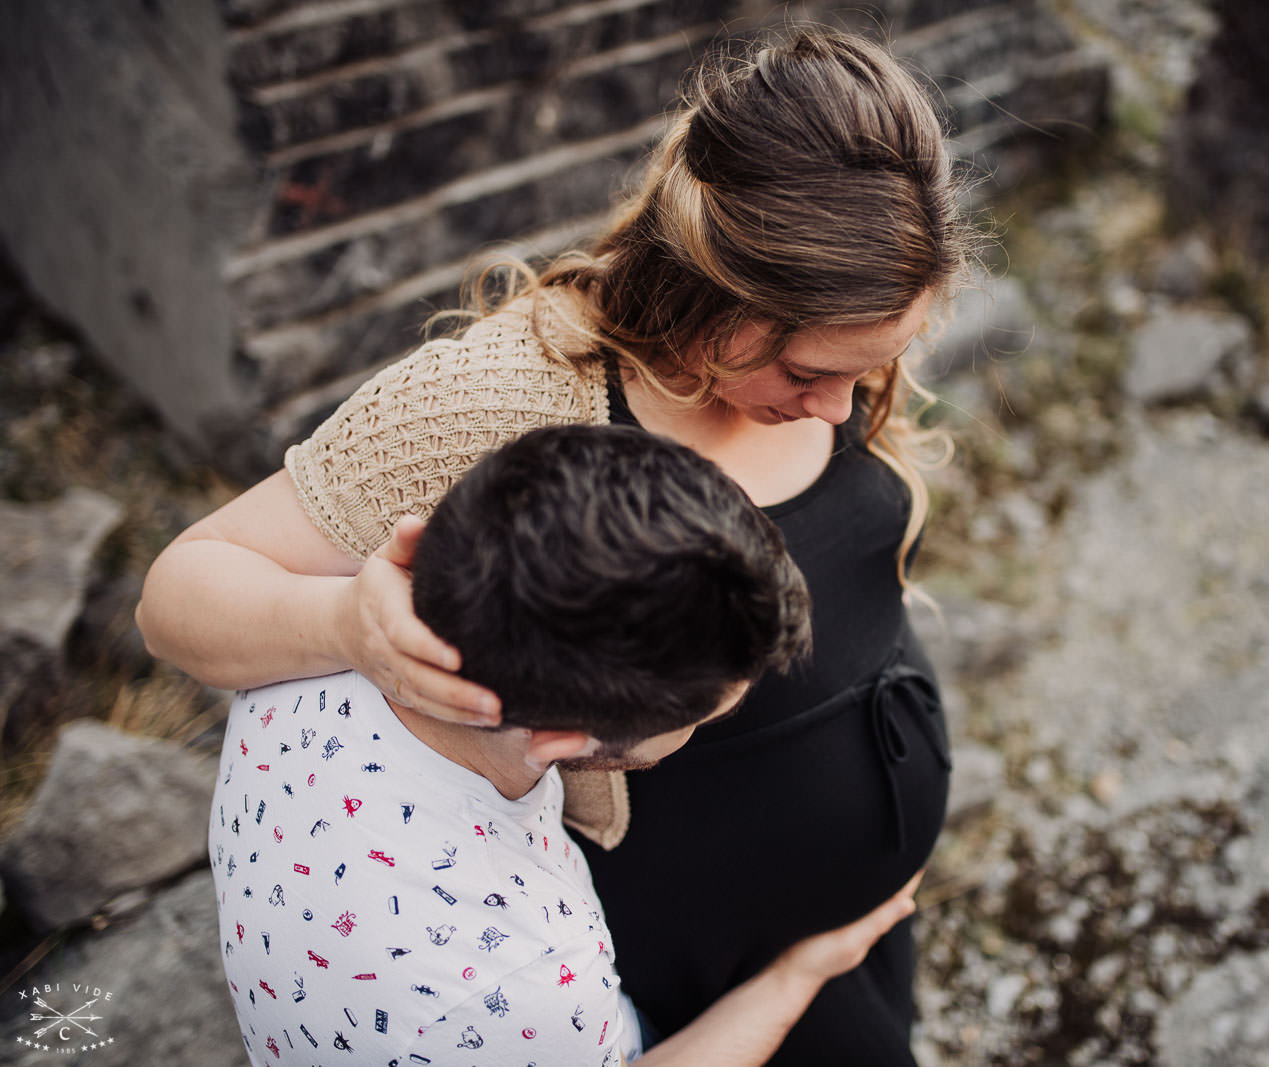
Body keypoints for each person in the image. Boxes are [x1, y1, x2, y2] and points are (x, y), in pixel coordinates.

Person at [141, 24, 971, 1065]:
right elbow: (176, 594)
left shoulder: (841, 343)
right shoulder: (510, 397)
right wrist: (345, 623)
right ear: (720, 292)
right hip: (689, 951)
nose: (837, 409)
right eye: (810, 372)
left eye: (873, 367)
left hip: (851, 908)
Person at [211, 424, 921, 1066]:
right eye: (708, 715)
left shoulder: (303, 655)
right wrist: (802, 971)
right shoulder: (529, 986)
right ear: (557, 737)